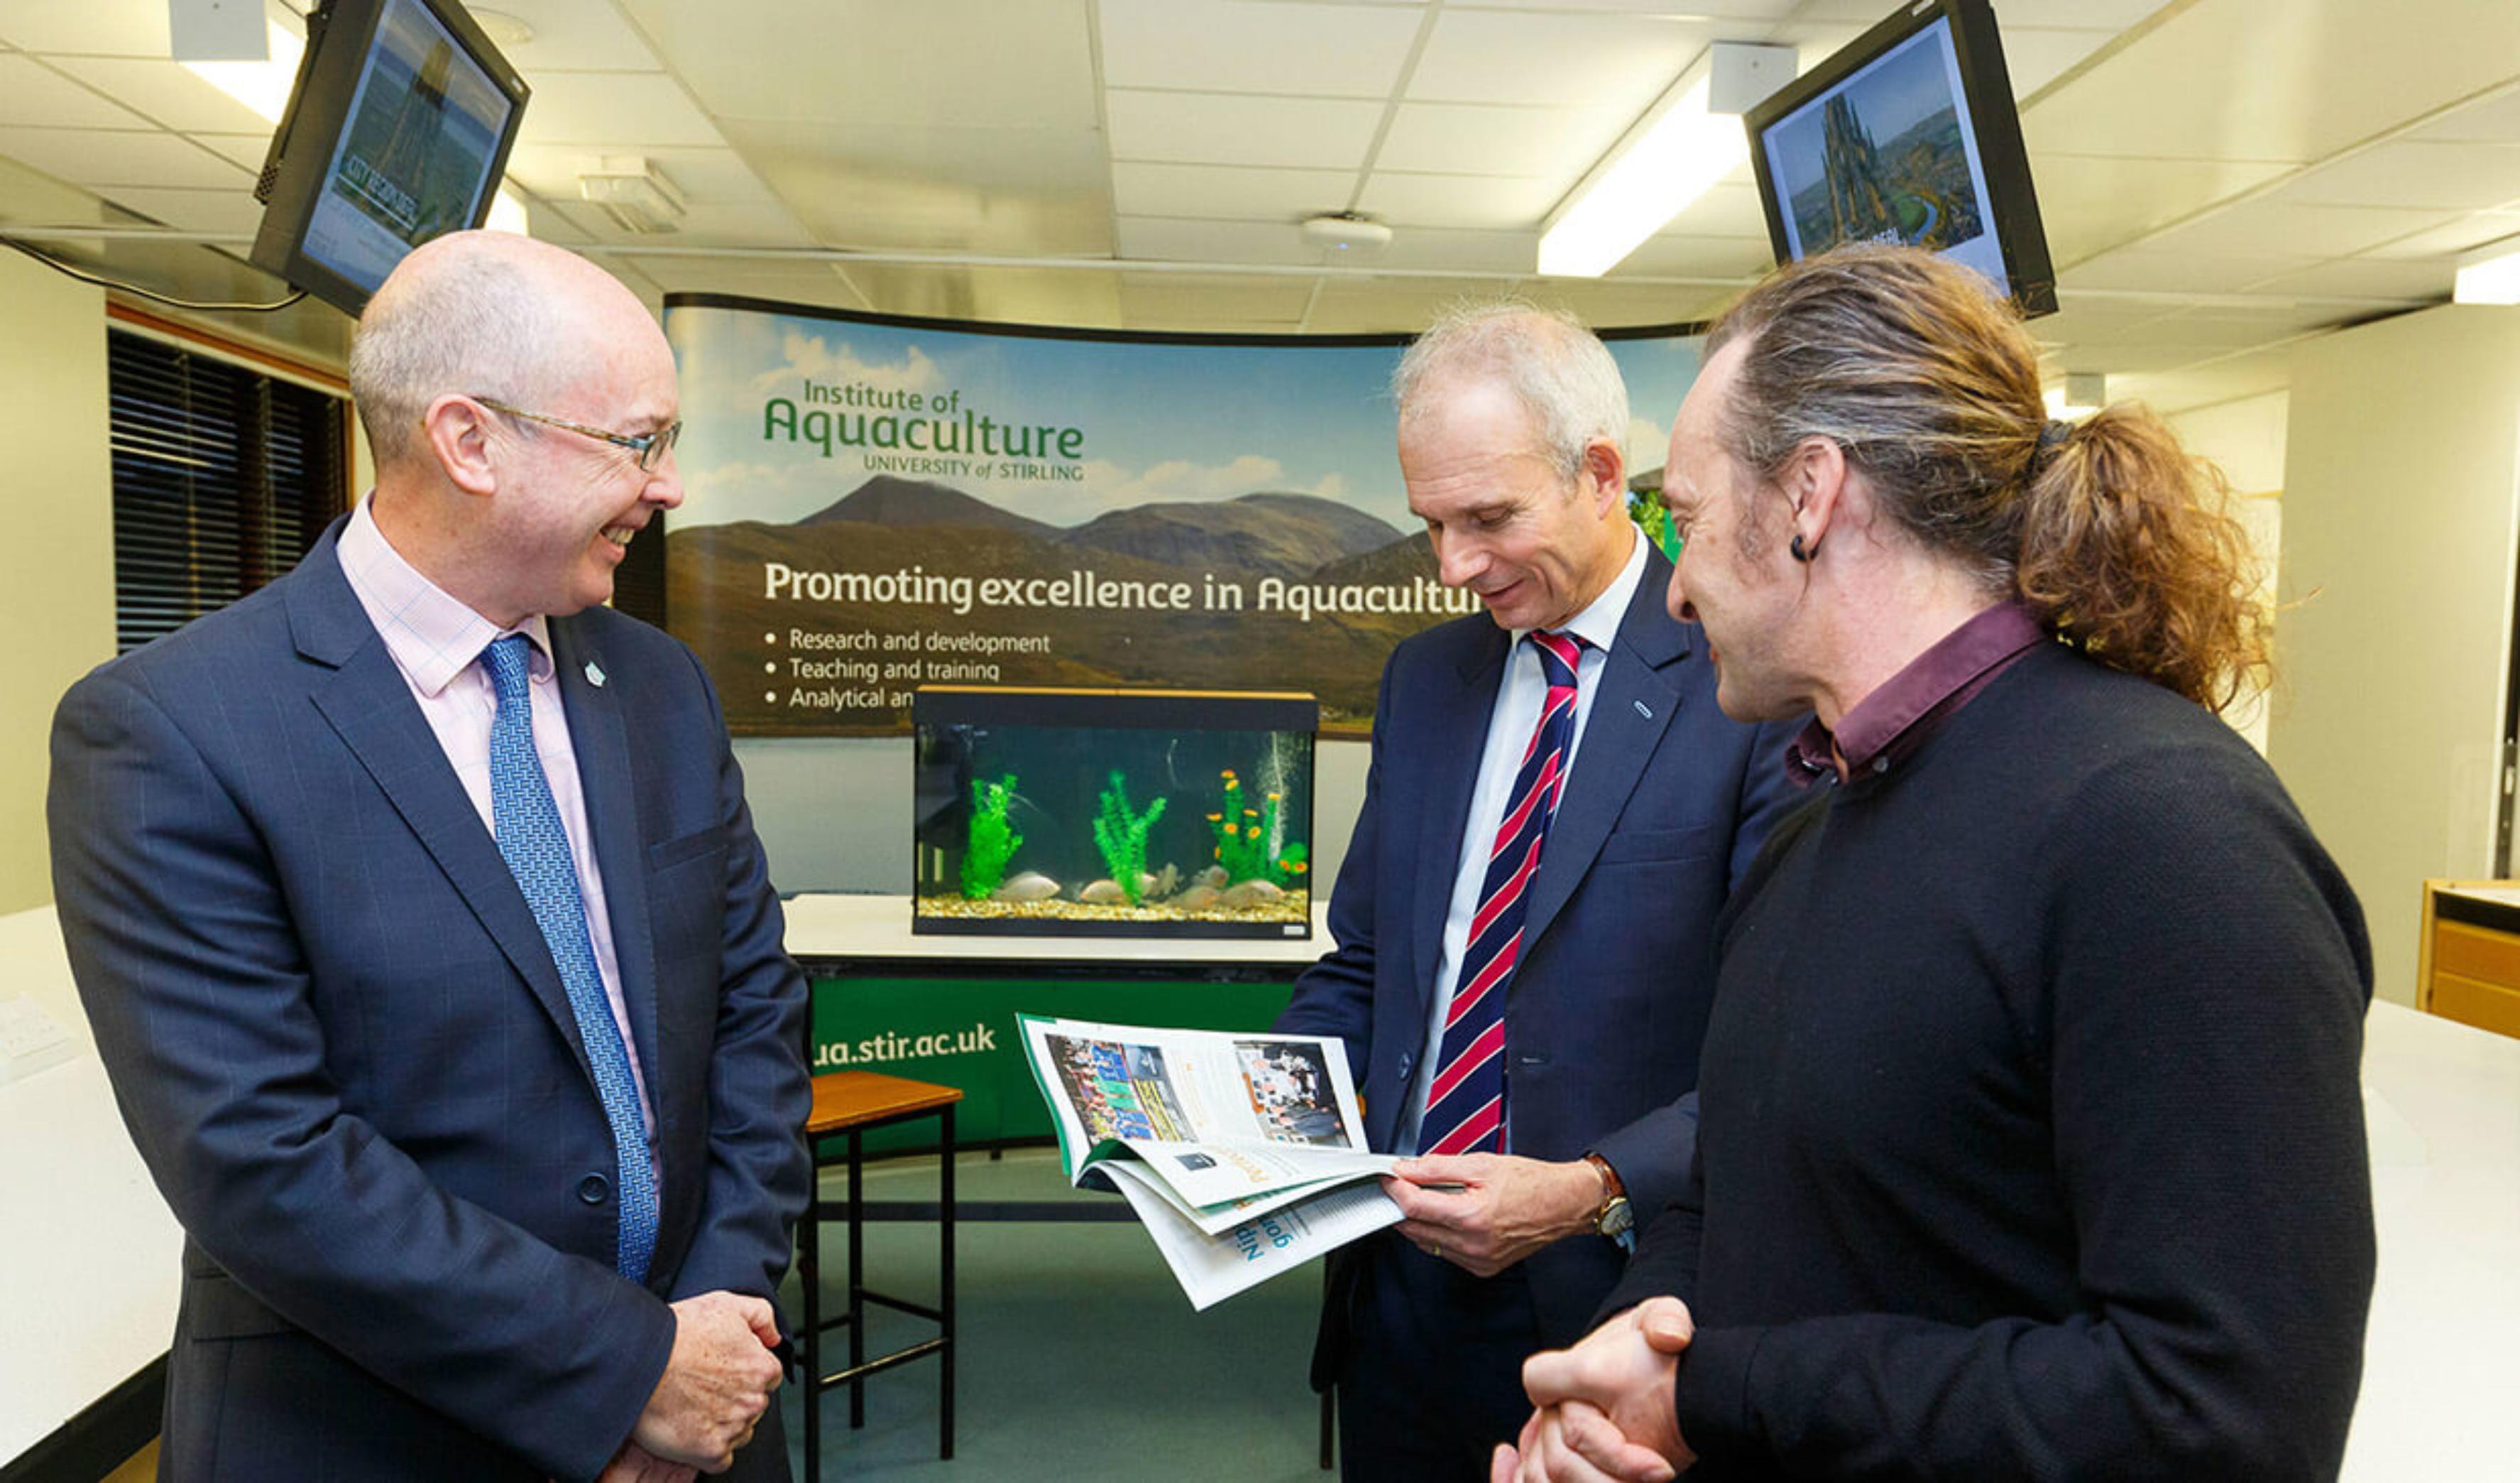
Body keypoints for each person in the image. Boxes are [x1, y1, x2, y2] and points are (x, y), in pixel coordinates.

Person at [1492, 243, 2375, 1482]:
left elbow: (2224, 1415)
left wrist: (1717, 1396)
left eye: (1683, 520)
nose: (1674, 590)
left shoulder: (2164, 836)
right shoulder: (1821, 811)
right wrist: (1622, 1378)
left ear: (1808, 497)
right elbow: (1736, 1181)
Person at [49, 231, 811, 1482]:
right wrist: (624, 1370)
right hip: (376, 1431)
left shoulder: (658, 683)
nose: (668, 486)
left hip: (704, 1413)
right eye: (639, 441)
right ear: (470, 442)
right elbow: (261, 1156)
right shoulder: (171, 728)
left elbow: (756, 1014)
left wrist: (710, 1333)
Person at [1275, 304, 1802, 1479]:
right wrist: (1261, 1119)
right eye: (1432, 525)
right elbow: (1366, 963)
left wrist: (1589, 1188)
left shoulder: (1748, 686)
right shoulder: (1426, 678)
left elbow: (1778, 1057)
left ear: (1602, 475)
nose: (1455, 565)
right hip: (1393, 1289)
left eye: (1489, 518)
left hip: (1618, 1305)